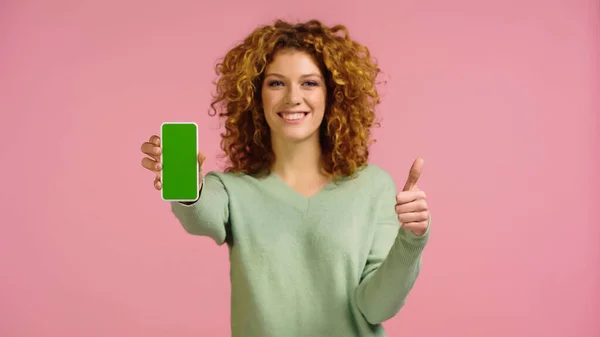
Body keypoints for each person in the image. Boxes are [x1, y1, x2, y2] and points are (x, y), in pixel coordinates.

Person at [140, 19, 431, 337]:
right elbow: (201, 216)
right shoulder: (232, 189)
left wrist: (411, 239)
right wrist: (188, 188)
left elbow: (377, 308)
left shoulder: (373, 187)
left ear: (331, 94)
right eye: (276, 83)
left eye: (309, 83)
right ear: (256, 94)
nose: (293, 97)